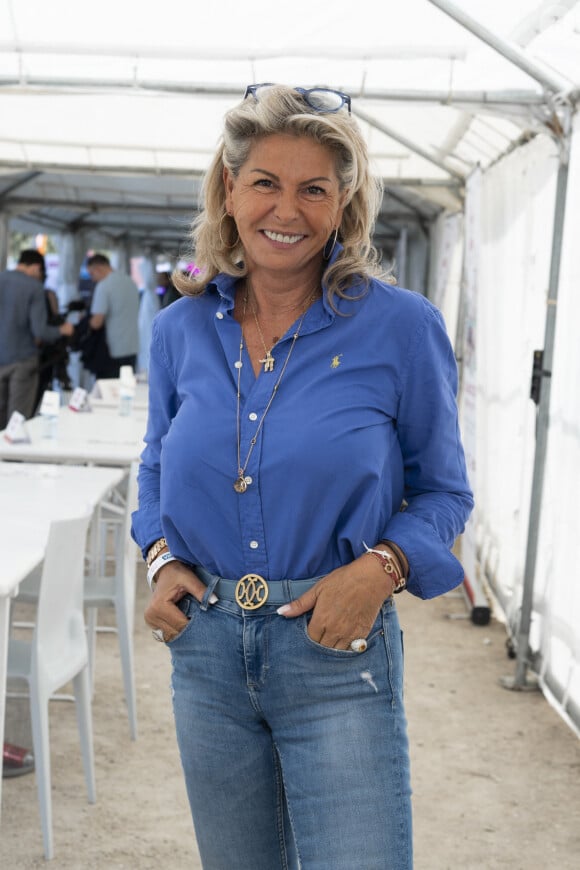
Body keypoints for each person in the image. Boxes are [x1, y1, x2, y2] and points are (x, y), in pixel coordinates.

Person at [131, 84, 473, 870]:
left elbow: (446, 491)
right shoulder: (180, 329)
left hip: (335, 649)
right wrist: (159, 556)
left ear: (344, 205)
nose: (287, 209)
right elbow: (154, 464)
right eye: (265, 183)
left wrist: (382, 570)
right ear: (229, 189)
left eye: (313, 188)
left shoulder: (400, 327)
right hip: (207, 654)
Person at [0, 249, 74, 429]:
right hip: (23, 359)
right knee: (17, 418)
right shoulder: (34, 287)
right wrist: (62, 330)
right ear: (36, 267)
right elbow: (40, 330)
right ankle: (14, 457)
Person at [86, 253, 139, 377]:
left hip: (112, 350)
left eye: (91, 274)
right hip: (132, 346)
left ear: (98, 268)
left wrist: (84, 322)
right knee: (127, 388)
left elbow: (96, 322)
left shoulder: (104, 286)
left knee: (109, 392)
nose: (92, 279)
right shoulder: (129, 281)